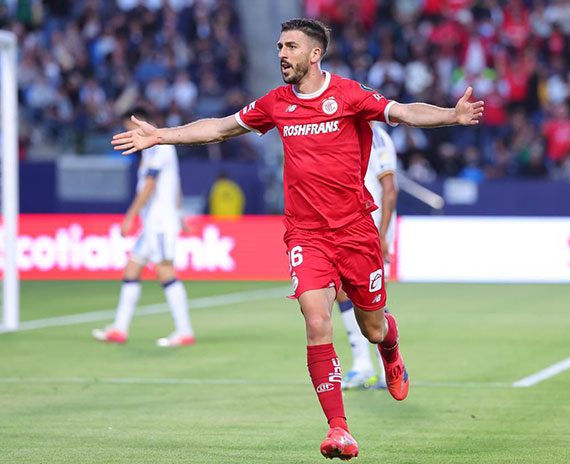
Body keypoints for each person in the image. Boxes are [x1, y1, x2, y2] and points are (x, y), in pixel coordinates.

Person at [111, 18, 483, 461]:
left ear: (315, 54)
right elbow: (220, 128)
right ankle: (339, 428)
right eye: (279, 46)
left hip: (355, 232)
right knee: (316, 319)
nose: (282, 54)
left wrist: (451, 115)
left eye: (290, 46)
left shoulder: (349, 95)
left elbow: (403, 111)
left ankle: (390, 346)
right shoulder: (276, 103)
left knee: (372, 326)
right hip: (306, 234)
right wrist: (160, 136)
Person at [93, 107, 195, 348]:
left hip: (159, 222)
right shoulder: (154, 148)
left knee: (164, 270)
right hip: (152, 223)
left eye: (129, 129)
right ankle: (119, 328)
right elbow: (175, 185)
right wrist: (180, 214)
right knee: (132, 270)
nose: (128, 135)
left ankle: (184, 331)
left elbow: (150, 184)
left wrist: (130, 216)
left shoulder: (160, 146)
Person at [338, 123, 399, 391]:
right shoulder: (346, 131)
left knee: (372, 295)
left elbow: (389, 188)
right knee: (342, 291)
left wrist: (382, 234)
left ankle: (387, 366)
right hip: (348, 227)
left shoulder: (377, 138)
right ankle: (362, 364)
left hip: (372, 228)